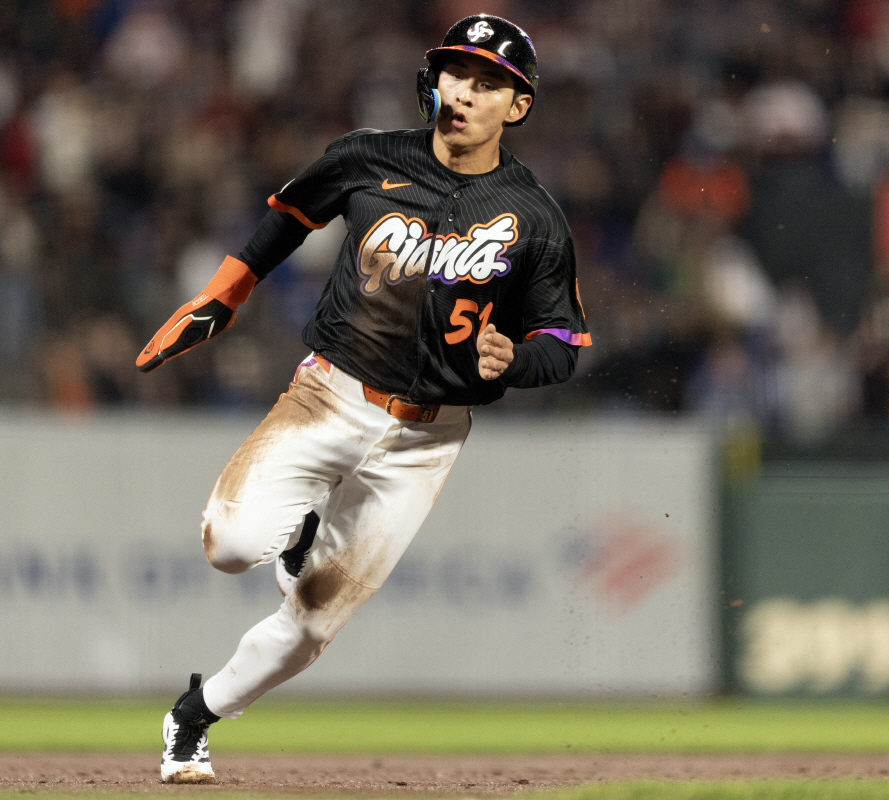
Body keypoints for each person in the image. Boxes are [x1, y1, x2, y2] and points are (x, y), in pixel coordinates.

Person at [137, 14, 590, 784]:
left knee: (313, 625)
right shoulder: (368, 156)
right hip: (331, 393)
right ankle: (298, 538)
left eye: (488, 83)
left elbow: (565, 342)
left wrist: (518, 358)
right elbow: (288, 217)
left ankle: (194, 715)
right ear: (433, 80)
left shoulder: (536, 216)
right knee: (229, 545)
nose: (464, 92)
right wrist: (223, 295)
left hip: (429, 438)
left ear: (517, 106)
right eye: (456, 72)